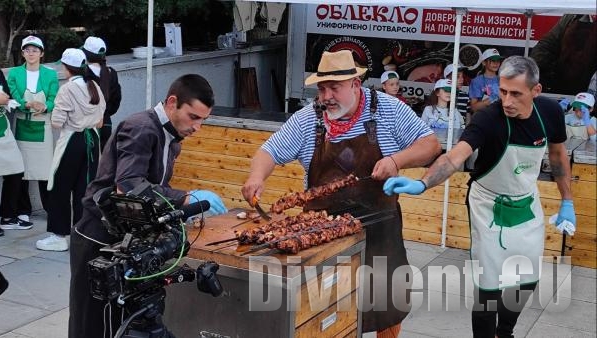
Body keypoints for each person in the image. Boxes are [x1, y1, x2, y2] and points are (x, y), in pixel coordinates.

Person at [241, 50, 441, 337]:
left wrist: (397, 161)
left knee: (386, 306)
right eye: (322, 88)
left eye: (334, 87)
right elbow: (269, 151)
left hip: (379, 228)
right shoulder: (309, 119)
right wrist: (256, 177)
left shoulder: (388, 110)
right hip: (320, 233)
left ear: (355, 85)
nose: (327, 96)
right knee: (324, 311)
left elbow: (431, 145)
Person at [383, 56, 575, 338]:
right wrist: (423, 184)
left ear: (536, 91)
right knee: (490, 286)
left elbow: (558, 155)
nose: (507, 100)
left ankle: (505, 332)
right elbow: (454, 157)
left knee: (526, 279)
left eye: (516, 94)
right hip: (487, 204)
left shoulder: (550, 113)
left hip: (525, 201)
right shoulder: (489, 119)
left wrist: (567, 200)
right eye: (503, 91)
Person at [68, 74, 228, 338]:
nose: (197, 127)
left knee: (126, 319)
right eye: (193, 117)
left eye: (203, 120)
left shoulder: (172, 137)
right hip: (97, 237)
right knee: (94, 325)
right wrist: (186, 198)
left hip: (126, 240)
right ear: (172, 102)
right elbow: (128, 185)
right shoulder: (141, 127)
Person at [35, 49, 105, 251]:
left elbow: (57, 122)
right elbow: (100, 122)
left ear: (67, 68)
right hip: (92, 140)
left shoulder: (67, 89)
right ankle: (82, 234)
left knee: (59, 188)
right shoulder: (94, 86)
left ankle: (59, 236)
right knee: (85, 189)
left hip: (72, 140)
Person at [7, 35, 59, 228]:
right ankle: (23, 211)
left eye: (35, 50)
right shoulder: (14, 73)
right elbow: (11, 96)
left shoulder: (50, 75)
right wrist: (26, 103)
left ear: (42, 53)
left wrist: (45, 107)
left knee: (46, 171)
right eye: (27, 50)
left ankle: (51, 209)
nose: (31, 53)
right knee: (21, 171)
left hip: (43, 125)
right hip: (22, 124)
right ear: (22, 53)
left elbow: (55, 98)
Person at [530, 14, 596, 95]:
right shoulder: (572, 16)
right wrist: (533, 69)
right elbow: (546, 45)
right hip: (561, 85)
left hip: (590, 90)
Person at [81, 36, 122, 150]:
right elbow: (116, 100)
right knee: (104, 162)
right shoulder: (111, 73)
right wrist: (106, 113)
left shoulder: (83, 73)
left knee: (89, 163)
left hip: (85, 125)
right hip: (106, 123)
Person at [0, 66, 25, 236]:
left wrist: (4, 99)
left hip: (3, 130)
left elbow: (6, 95)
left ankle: (8, 216)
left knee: (16, 169)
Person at [469, 48, 503, 113]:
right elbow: (473, 108)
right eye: (493, 60)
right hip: (483, 119)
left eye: (498, 60)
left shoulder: (503, 80)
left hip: (500, 118)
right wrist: (491, 99)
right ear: (484, 62)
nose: (496, 63)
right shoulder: (477, 81)